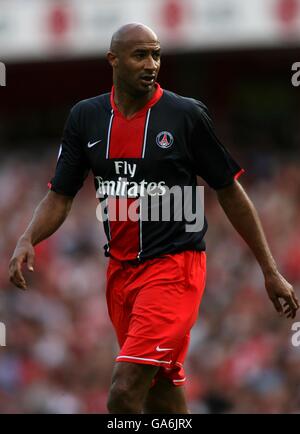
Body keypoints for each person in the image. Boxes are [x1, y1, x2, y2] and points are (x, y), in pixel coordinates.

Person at [9, 23, 299, 414]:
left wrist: (269, 269)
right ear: (113, 60)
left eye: (156, 54)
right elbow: (60, 196)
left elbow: (230, 192)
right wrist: (28, 237)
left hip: (174, 271)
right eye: (140, 55)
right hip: (120, 274)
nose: (151, 64)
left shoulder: (185, 115)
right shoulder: (86, 118)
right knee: (161, 392)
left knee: (124, 394)